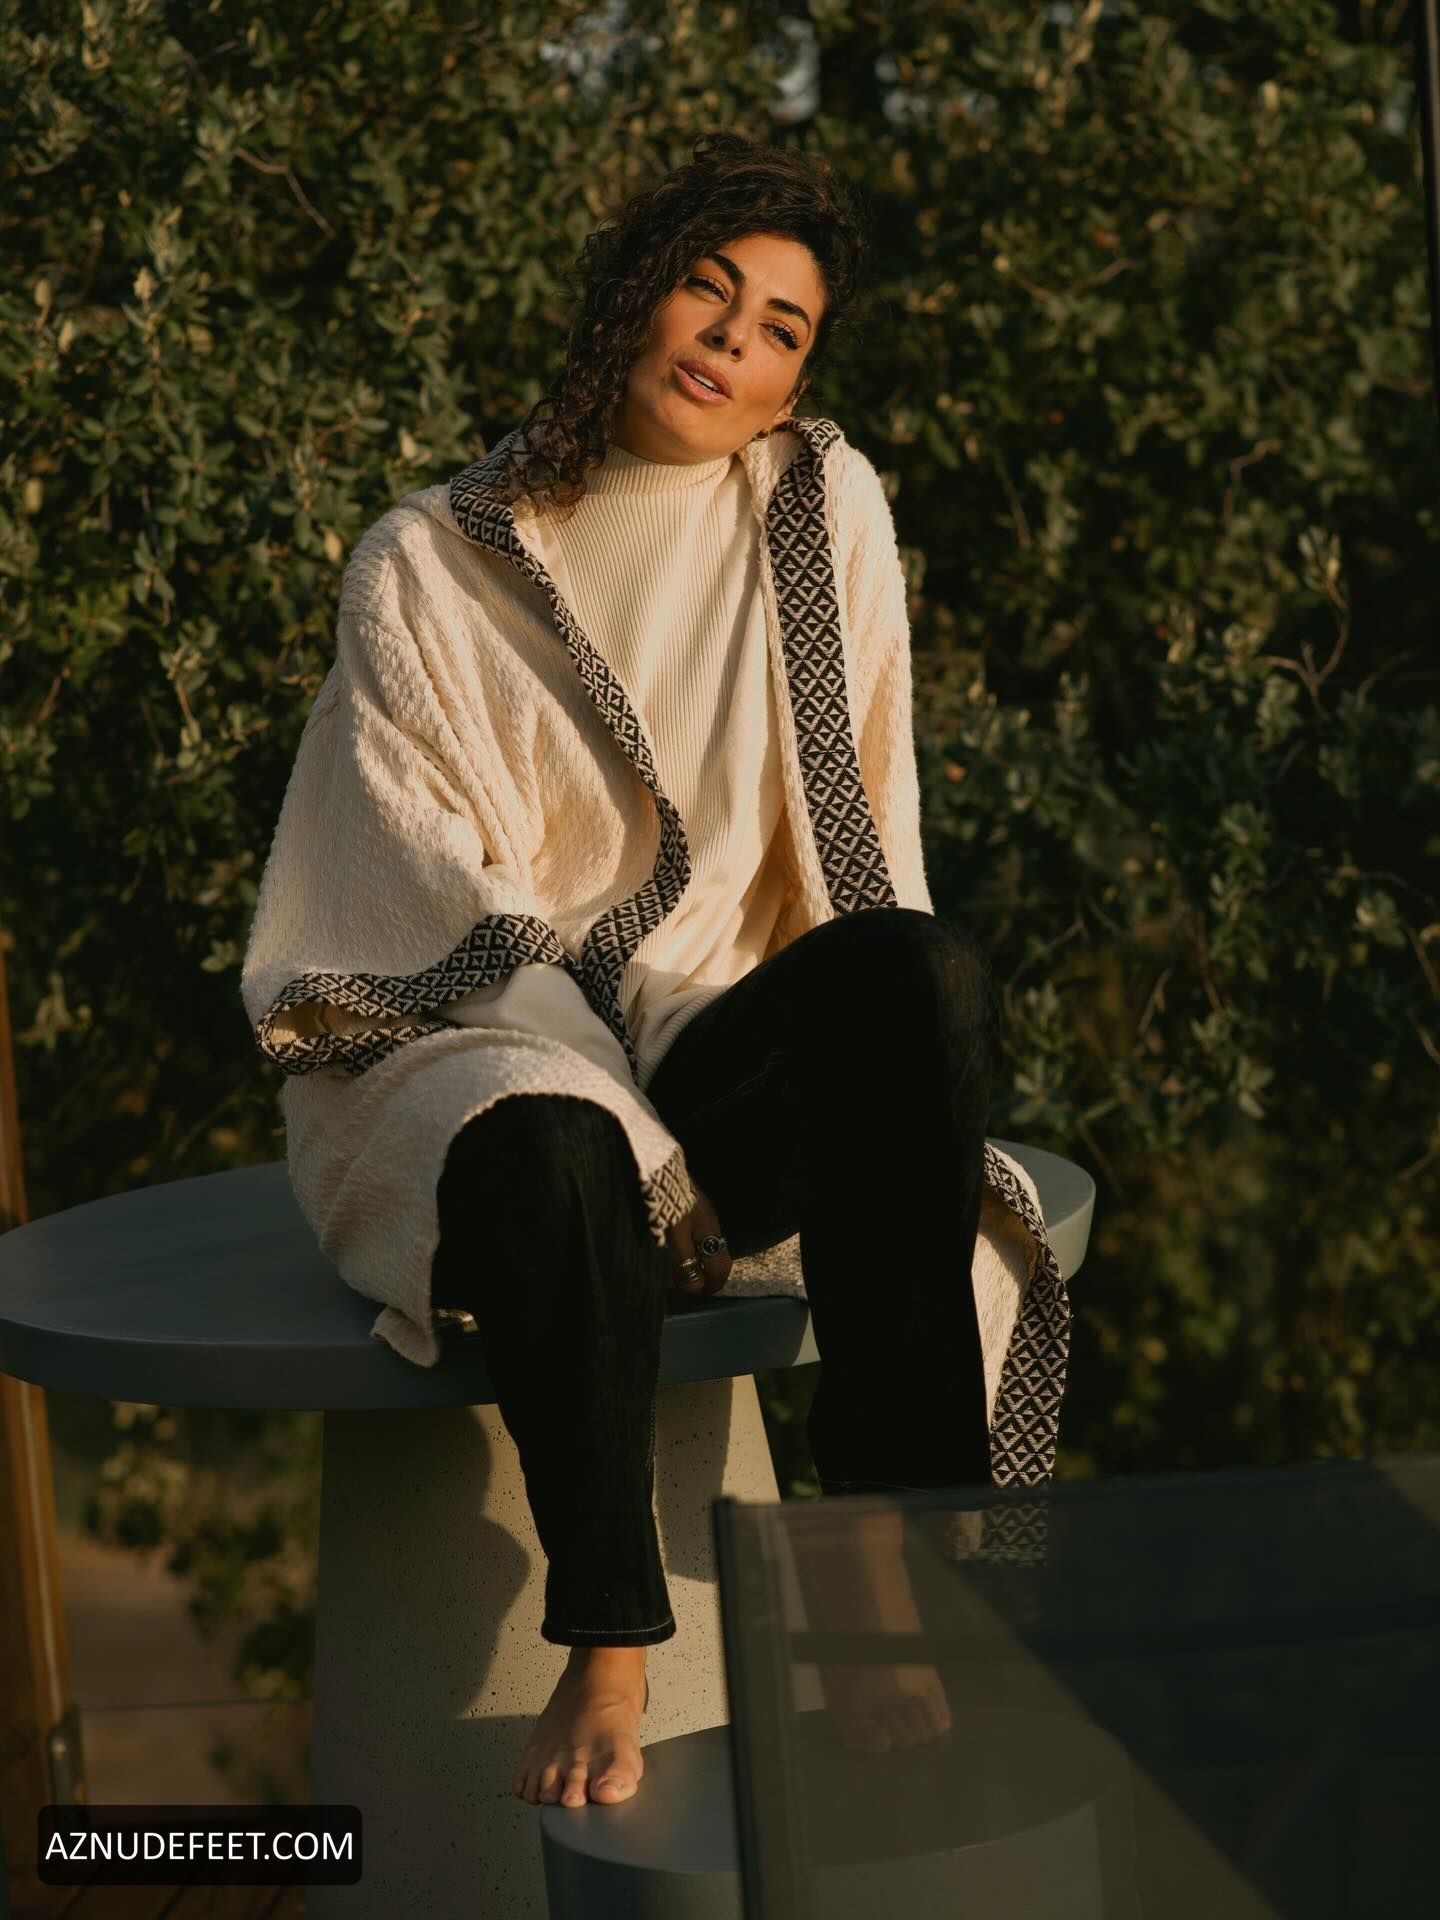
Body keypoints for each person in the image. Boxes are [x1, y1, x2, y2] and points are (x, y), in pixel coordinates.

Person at [241, 130, 1069, 1813]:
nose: (731, 341)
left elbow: (867, 831)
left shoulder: (816, 505)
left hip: (713, 1035)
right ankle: (609, 1644)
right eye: (709, 288)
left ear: (792, 386)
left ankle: (878, 1565)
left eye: (780, 330)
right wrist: (612, 1111)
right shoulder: (430, 562)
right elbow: (410, 883)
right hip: (478, 1036)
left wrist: (872, 1091)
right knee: (557, 1140)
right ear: (636, 291)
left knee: (917, 973)